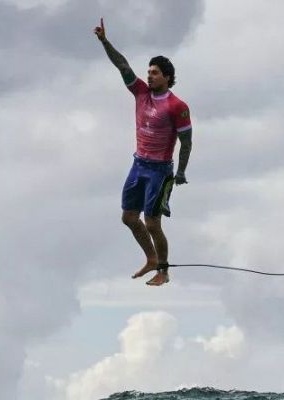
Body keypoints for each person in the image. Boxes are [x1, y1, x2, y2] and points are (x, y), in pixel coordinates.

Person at [93, 18, 193, 286]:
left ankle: (163, 270)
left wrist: (181, 172)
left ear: (167, 78)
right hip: (138, 165)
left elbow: (187, 141)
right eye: (148, 72)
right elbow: (122, 65)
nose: (149, 76)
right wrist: (105, 42)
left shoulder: (177, 106)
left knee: (152, 222)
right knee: (128, 217)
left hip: (160, 170)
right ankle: (150, 258)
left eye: (155, 73)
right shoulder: (140, 93)